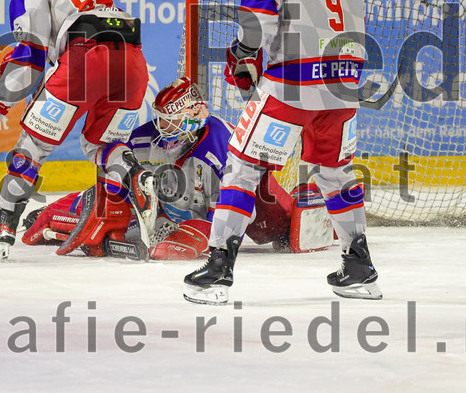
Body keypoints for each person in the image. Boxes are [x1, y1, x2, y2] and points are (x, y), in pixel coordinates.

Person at [183, 0, 381, 304]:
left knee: (242, 165)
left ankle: (219, 266)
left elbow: (257, 18)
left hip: (292, 84)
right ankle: (360, 264)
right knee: (335, 172)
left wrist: (242, 52)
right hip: (344, 83)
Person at [0, 0, 158, 261]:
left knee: (33, 145)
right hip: (133, 61)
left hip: (85, 60)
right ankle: (135, 178)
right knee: (103, 144)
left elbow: (31, 58)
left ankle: (4, 225)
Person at [21, 77, 333, 260]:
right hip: (183, 209)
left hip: (258, 214)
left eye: (169, 120)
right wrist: (98, 202)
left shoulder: (224, 144)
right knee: (100, 212)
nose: (161, 126)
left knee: (278, 231)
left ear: (192, 117)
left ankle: (312, 204)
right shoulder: (147, 136)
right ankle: (56, 217)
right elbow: (118, 174)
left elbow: (236, 210)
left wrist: (198, 235)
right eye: (159, 118)